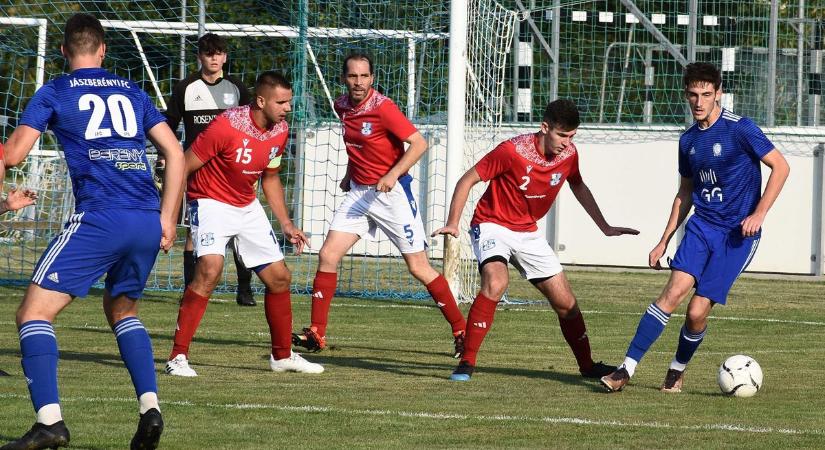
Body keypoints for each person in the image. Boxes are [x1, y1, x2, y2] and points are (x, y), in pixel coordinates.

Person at [0, 13, 184, 449]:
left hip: (101, 216)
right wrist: (168, 216)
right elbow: (175, 153)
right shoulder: (132, 91)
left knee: (33, 314)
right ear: (103, 51)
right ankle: (150, 408)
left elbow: (13, 155)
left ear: (63, 51)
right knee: (123, 312)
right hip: (146, 218)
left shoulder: (55, 91)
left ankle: (49, 422)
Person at [600, 62, 790, 393]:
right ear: (686, 95)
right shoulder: (687, 140)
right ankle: (624, 370)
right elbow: (685, 193)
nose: (699, 101)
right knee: (672, 293)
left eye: (706, 94)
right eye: (693, 95)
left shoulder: (740, 128)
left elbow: (781, 167)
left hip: (737, 235)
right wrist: (663, 241)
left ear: (719, 94)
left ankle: (676, 370)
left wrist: (759, 214)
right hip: (701, 227)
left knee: (696, 311)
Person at [432, 99, 639, 381]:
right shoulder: (512, 151)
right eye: (562, 135)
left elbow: (578, 185)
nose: (567, 143)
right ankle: (466, 362)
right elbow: (467, 180)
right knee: (496, 282)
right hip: (492, 224)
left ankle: (587, 366)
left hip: (528, 232)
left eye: (572, 136)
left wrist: (604, 226)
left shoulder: (569, 155)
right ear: (544, 128)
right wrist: (453, 223)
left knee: (566, 303)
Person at [291, 53, 467, 357]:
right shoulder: (341, 105)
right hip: (360, 194)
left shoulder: (384, 108)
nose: (358, 82)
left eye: (363, 76)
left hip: (392, 196)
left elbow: (419, 143)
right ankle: (317, 333)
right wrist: (349, 174)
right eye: (352, 76)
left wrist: (393, 173)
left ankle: (462, 331)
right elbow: (354, 144)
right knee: (327, 254)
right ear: (344, 78)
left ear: (372, 78)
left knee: (419, 267)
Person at [164, 71, 324, 377]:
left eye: (289, 101)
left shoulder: (280, 130)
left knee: (279, 278)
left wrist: (287, 224)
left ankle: (282, 356)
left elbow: (271, 178)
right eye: (281, 102)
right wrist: (169, 219)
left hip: (245, 204)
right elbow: (182, 165)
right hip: (209, 201)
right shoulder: (227, 125)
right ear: (261, 101)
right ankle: (177, 357)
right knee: (209, 270)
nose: (287, 108)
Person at [162, 32, 256, 306]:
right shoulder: (185, 88)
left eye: (218, 53)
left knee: (240, 228)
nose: (213, 58)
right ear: (200, 56)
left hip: (234, 169)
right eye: (208, 53)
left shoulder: (237, 88)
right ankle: (190, 289)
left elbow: (252, 124)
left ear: (225, 57)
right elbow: (168, 124)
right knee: (195, 228)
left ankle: (244, 288)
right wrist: (164, 155)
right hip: (198, 169)